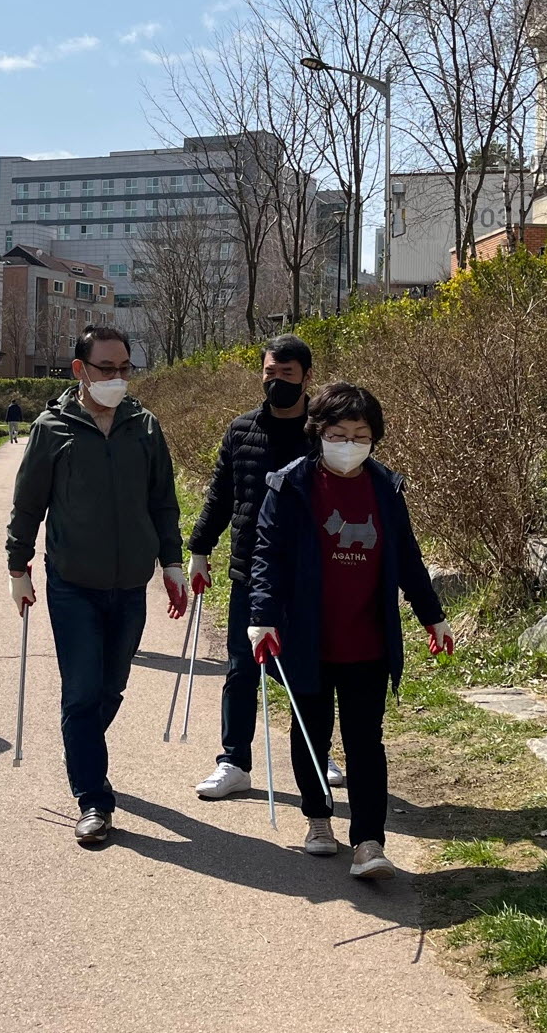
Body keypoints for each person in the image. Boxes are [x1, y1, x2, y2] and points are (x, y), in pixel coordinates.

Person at [246, 383, 453, 880]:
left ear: (374, 439)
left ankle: (368, 842)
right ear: (318, 434)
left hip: (368, 641)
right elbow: (266, 557)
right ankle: (318, 820)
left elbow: (407, 557)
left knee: (366, 742)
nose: (350, 443)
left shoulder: (385, 488)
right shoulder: (290, 486)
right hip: (306, 638)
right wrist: (261, 617)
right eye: (338, 433)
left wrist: (433, 616)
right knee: (311, 732)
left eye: (361, 435)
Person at [6, 326, 188, 846]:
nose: (117, 378)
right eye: (106, 368)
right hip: (73, 585)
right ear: (79, 369)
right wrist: (18, 569)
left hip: (130, 585)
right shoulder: (51, 429)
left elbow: (163, 502)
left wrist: (171, 564)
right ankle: (92, 797)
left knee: (112, 688)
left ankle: (81, 746)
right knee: (83, 693)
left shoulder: (145, 428)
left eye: (124, 368)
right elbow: (28, 504)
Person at [185, 334, 344, 801]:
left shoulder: (325, 436)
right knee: (240, 669)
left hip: (309, 576)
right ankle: (234, 761)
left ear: (307, 377)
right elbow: (220, 496)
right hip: (248, 574)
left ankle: (316, 751)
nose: (277, 383)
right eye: (270, 374)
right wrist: (199, 549)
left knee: (306, 670)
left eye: (287, 375)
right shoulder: (240, 431)